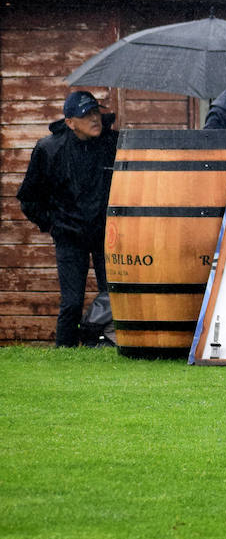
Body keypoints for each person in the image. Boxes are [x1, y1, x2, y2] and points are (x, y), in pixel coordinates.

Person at [17, 90, 119, 347]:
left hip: (107, 234)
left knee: (114, 295)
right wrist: (53, 225)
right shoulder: (49, 149)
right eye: (86, 115)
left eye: (96, 112)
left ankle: (111, 345)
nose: (94, 119)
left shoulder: (113, 143)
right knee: (72, 301)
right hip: (69, 236)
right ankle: (65, 350)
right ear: (70, 123)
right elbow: (28, 198)